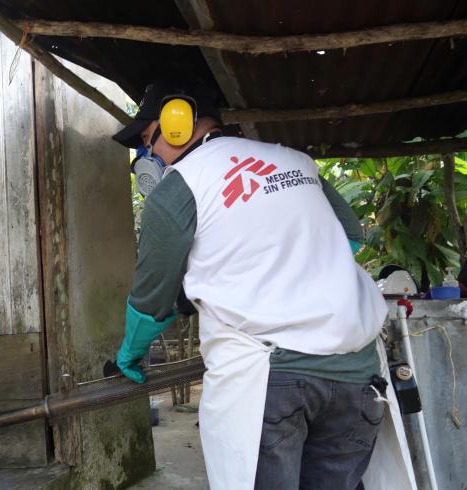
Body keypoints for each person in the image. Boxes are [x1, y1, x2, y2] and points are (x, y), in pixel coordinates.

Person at [111, 81, 410, 489]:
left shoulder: (179, 186)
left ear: (176, 123)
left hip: (271, 381)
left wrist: (131, 352)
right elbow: (351, 237)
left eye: (148, 141)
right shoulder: (293, 161)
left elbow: (152, 298)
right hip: (357, 377)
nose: (148, 156)